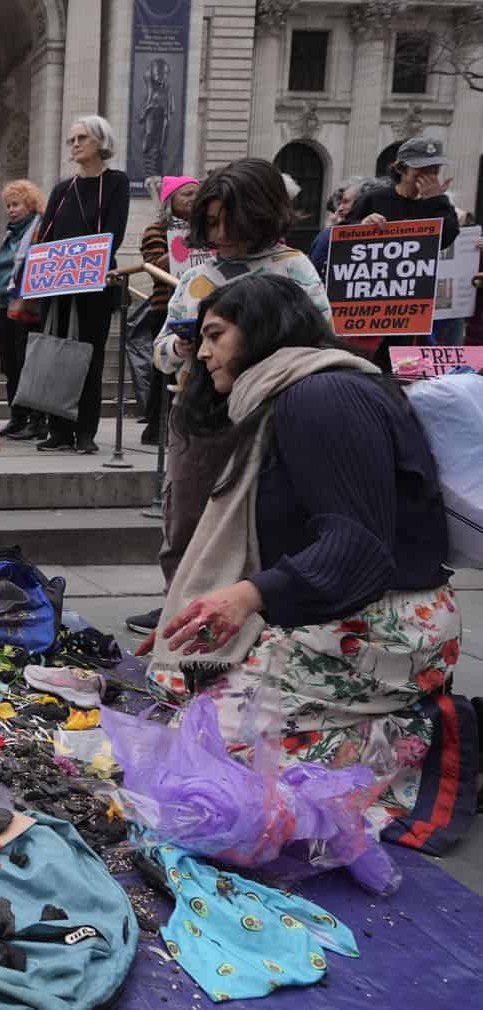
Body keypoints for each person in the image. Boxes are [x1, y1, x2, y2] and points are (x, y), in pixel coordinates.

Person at [140, 274, 460, 837]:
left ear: (262, 329)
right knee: (177, 692)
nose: (204, 353)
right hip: (342, 607)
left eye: (215, 334)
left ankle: (428, 740)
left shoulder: (322, 397)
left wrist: (248, 596)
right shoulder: (298, 393)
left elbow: (359, 547)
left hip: (387, 622)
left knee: (201, 766)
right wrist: (202, 610)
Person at [131, 158, 330, 634]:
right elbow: (160, 353)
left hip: (274, 416)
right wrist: (181, 347)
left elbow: (323, 338)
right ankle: (179, 610)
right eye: (211, 222)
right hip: (200, 417)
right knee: (186, 519)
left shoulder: (295, 267)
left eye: (229, 221)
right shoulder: (198, 276)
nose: (219, 234)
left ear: (260, 214)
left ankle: (254, 613)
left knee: (267, 520)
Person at [34, 115, 130, 454]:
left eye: (82, 138)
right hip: (58, 287)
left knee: (90, 357)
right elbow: (45, 236)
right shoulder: (62, 189)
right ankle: (58, 430)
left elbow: (114, 234)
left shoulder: (116, 183)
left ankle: (85, 431)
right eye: (72, 140)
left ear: (101, 142)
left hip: (94, 286)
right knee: (58, 357)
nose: (74, 145)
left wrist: (82, 261)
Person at [345, 137, 460, 361]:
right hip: (374, 302)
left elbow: (447, 236)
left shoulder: (439, 203)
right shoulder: (375, 199)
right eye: (421, 170)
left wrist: (435, 199)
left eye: (434, 169)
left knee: (406, 364)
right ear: (401, 169)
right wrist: (362, 224)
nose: (429, 176)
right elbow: (342, 234)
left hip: (414, 303)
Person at [134, 174, 199, 444]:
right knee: (164, 370)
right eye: (187, 194)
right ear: (171, 200)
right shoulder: (156, 230)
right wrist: (185, 246)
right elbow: (153, 265)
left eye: (197, 193)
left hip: (196, 306)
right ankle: (157, 427)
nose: (194, 199)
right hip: (165, 308)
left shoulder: (205, 229)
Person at [0, 178, 46, 440]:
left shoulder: (38, 230)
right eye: (8, 205)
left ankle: (37, 420)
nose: (11, 210)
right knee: (11, 364)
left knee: (28, 364)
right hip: (5, 304)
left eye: (16, 205)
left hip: (28, 306)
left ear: (31, 204)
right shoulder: (11, 233)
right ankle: (18, 416)